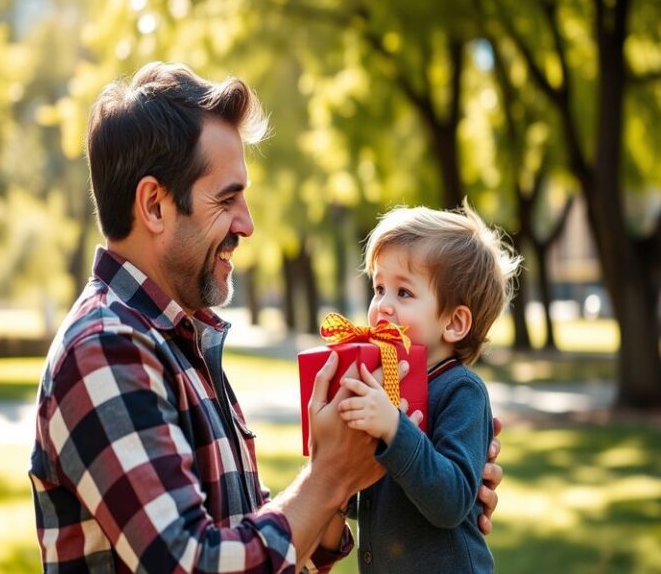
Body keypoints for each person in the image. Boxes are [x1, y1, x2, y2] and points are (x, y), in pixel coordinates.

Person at [28, 61, 503, 574]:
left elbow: (244, 536)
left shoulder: (179, 342)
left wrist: (391, 490)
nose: (248, 224)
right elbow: (195, 564)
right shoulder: (107, 348)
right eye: (227, 198)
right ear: (155, 205)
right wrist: (329, 477)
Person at [338, 203, 521, 573]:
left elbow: (450, 502)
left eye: (403, 293)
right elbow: (378, 499)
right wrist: (337, 468)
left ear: (454, 322)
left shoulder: (462, 391)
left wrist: (393, 427)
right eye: (379, 288)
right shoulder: (387, 386)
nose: (382, 307)